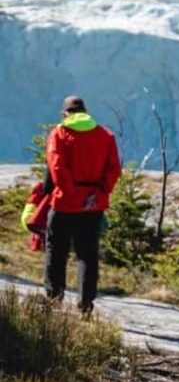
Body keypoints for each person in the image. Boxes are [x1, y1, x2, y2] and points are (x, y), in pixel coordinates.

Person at [44, 95, 122, 316]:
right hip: (93, 205)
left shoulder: (59, 134)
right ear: (86, 113)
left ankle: (54, 299)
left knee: (56, 250)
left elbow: (56, 167)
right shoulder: (105, 135)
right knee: (87, 255)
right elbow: (114, 169)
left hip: (64, 203)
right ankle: (85, 305)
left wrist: (71, 194)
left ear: (65, 114)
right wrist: (99, 192)